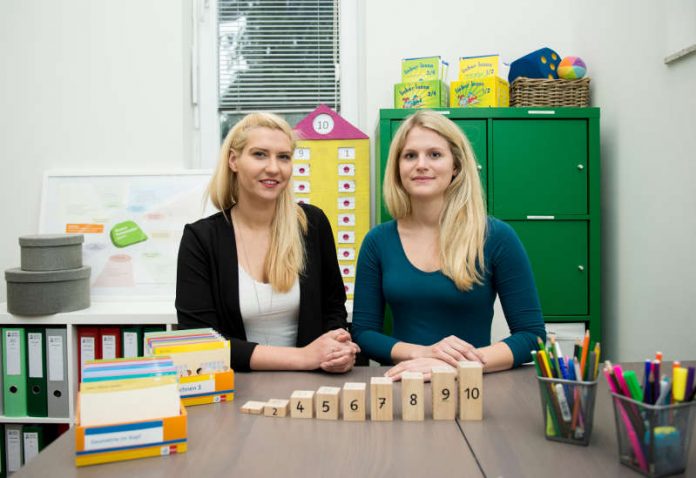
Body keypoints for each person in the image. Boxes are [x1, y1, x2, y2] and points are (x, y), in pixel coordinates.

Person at [351, 110, 545, 380]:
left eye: (435, 154)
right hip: (405, 384)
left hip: (472, 386)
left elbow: (532, 337)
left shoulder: (496, 236)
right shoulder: (377, 241)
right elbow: (364, 333)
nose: (421, 164)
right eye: (410, 156)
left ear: (456, 166)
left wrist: (456, 365)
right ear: (397, 168)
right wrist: (423, 354)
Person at [176, 112, 359, 373]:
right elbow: (200, 339)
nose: (273, 167)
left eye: (283, 157)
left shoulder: (312, 224)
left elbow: (333, 310)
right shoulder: (201, 239)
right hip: (234, 388)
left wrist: (336, 349)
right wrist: (303, 358)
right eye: (260, 154)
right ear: (233, 160)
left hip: (311, 387)